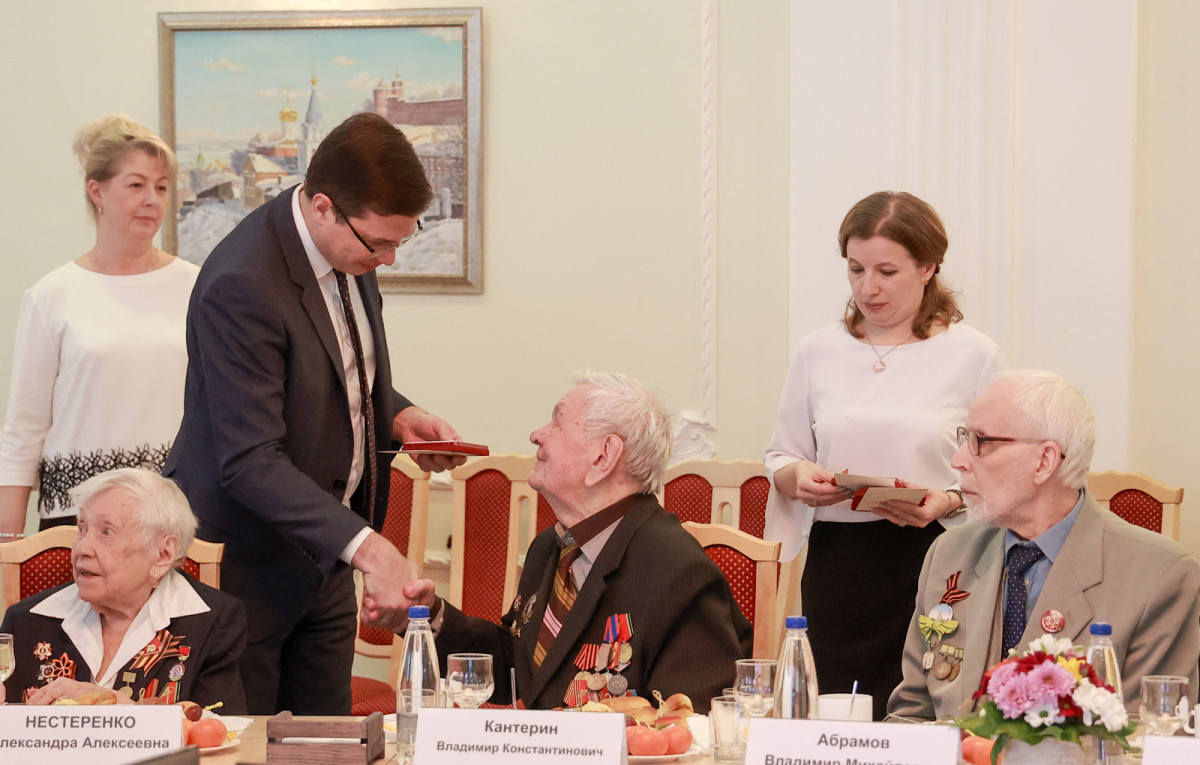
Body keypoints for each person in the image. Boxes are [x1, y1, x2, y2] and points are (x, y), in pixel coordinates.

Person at [163, 112, 464, 715]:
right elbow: (249, 461)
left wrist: (400, 417)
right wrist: (374, 551)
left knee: (326, 744)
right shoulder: (242, 282)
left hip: (323, 558)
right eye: (380, 243)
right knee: (248, 749)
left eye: (402, 241)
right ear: (323, 206)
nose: (390, 260)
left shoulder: (349, 248)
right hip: (244, 570)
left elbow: (334, 368)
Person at [763, 191, 1007, 720]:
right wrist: (796, 476)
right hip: (838, 565)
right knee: (837, 712)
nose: (867, 288)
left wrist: (946, 500)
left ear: (928, 266)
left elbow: (999, 468)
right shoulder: (817, 351)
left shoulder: (973, 355)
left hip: (935, 558)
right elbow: (782, 455)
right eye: (855, 269)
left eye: (886, 271)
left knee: (925, 707)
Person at [398, 372, 752, 712]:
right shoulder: (550, 547)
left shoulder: (677, 571)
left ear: (603, 455)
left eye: (556, 422)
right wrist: (428, 617)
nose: (536, 435)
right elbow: (522, 666)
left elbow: (686, 727)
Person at [888, 370, 1200, 720]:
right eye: (965, 437)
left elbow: (1143, 738)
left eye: (981, 441)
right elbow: (912, 714)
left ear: (1045, 461)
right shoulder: (949, 553)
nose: (958, 459)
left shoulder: (1159, 576)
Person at [0, 115, 198, 536]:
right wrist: (9, 546)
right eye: (136, 184)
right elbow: (23, 428)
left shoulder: (196, 287)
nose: (152, 199)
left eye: (161, 187)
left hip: (167, 518)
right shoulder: (51, 295)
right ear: (97, 192)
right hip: (76, 523)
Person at [0, 468, 246, 710]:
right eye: (82, 528)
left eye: (107, 532)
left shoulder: (214, 622)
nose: (82, 549)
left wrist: (117, 703)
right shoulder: (25, 620)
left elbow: (221, 729)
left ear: (162, 554)